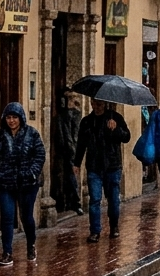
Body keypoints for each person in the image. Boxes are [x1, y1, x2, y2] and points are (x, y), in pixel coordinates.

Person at [0, 102, 46, 266]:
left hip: (27, 183)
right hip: (6, 183)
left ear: (21, 118)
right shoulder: (0, 136)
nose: (11, 121)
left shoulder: (32, 134)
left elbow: (40, 155)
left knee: (26, 217)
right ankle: (7, 252)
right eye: (8, 117)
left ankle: (31, 245)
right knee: (7, 216)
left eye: (14, 117)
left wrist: (31, 171)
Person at [73, 97, 132, 243]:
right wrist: (77, 163)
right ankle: (95, 231)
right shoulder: (87, 122)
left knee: (113, 200)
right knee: (94, 200)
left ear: (105, 103)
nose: (97, 106)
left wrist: (116, 129)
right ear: (91, 103)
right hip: (94, 166)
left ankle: (114, 227)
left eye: (99, 103)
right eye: (94, 103)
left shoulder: (115, 117)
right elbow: (81, 143)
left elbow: (127, 137)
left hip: (113, 165)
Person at [55, 87, 83, 215]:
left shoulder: (75, 115)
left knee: (71, 175)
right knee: (63, 176)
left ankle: (75, 202)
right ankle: (66, 201)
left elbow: (75, 134)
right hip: (63, 150)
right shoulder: (62, 115)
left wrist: (73, 151)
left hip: (71, 150)